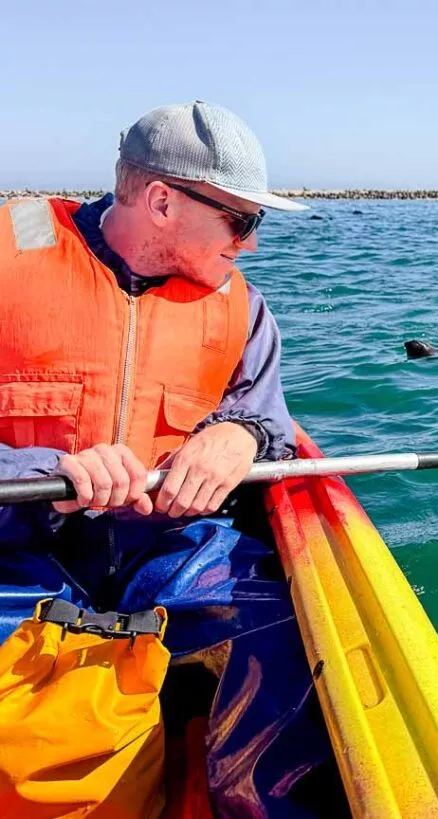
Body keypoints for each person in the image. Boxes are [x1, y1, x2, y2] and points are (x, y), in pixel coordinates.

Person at [0, 101, 336, 816]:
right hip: (15, 547)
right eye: (241, 220)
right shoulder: (6, 258)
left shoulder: (242, 307)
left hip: (169, 548)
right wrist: (41, 472)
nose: (250, 244)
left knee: (284, 628)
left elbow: (266, 417)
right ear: (160, 201)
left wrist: (240, 436)